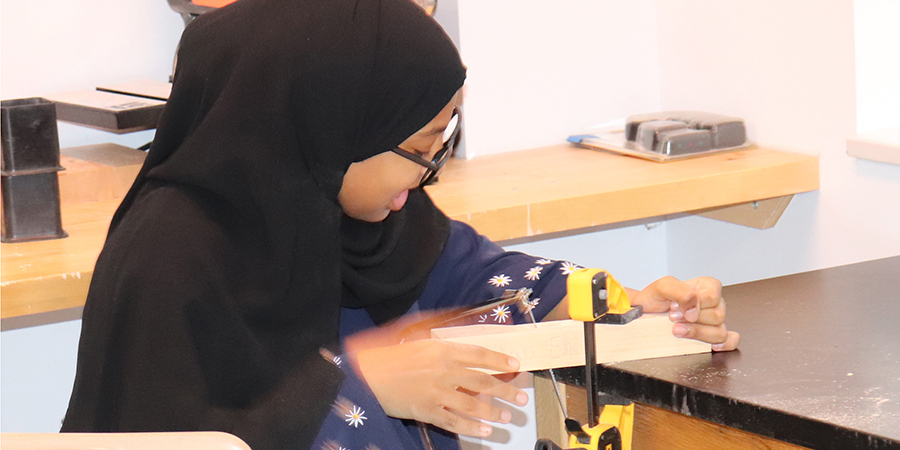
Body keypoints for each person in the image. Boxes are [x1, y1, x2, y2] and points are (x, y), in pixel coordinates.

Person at [61, 0, 739, 449]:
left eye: (441, 146)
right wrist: (360, 388)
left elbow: (481, 279)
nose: (425, 176)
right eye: (415, 149)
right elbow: (176, 439)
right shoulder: (169, 257)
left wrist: (622, 307)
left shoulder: (369, 218)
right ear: (333, 124)